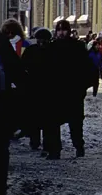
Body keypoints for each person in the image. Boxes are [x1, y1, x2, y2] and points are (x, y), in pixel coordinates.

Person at [42, 20, 93, 160]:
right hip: (55, 92)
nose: (61, 33)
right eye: (59, 30)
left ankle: (79, 146)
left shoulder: (77, 47)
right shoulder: (51, 48)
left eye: (64, 30)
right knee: (53, 122)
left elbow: (86, 68)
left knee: (75, 122)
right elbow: (45, 69)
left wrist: (83, 87)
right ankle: (54, 150)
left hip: (73, 91)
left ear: (68, 31)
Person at [0, 26, 25, 195]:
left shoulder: (1, 44)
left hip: (1, 109)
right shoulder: (2, 44)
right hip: (1, 111)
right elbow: (19, 75)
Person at [21, 28, 51, 151]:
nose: (41, 42)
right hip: (38, 88)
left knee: (40, 117)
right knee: (39, 117)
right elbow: (23, 67)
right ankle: (37, 141)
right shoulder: (35, 50)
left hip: (41, 88)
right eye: (40, 39)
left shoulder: (34, 50)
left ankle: (39, 142)